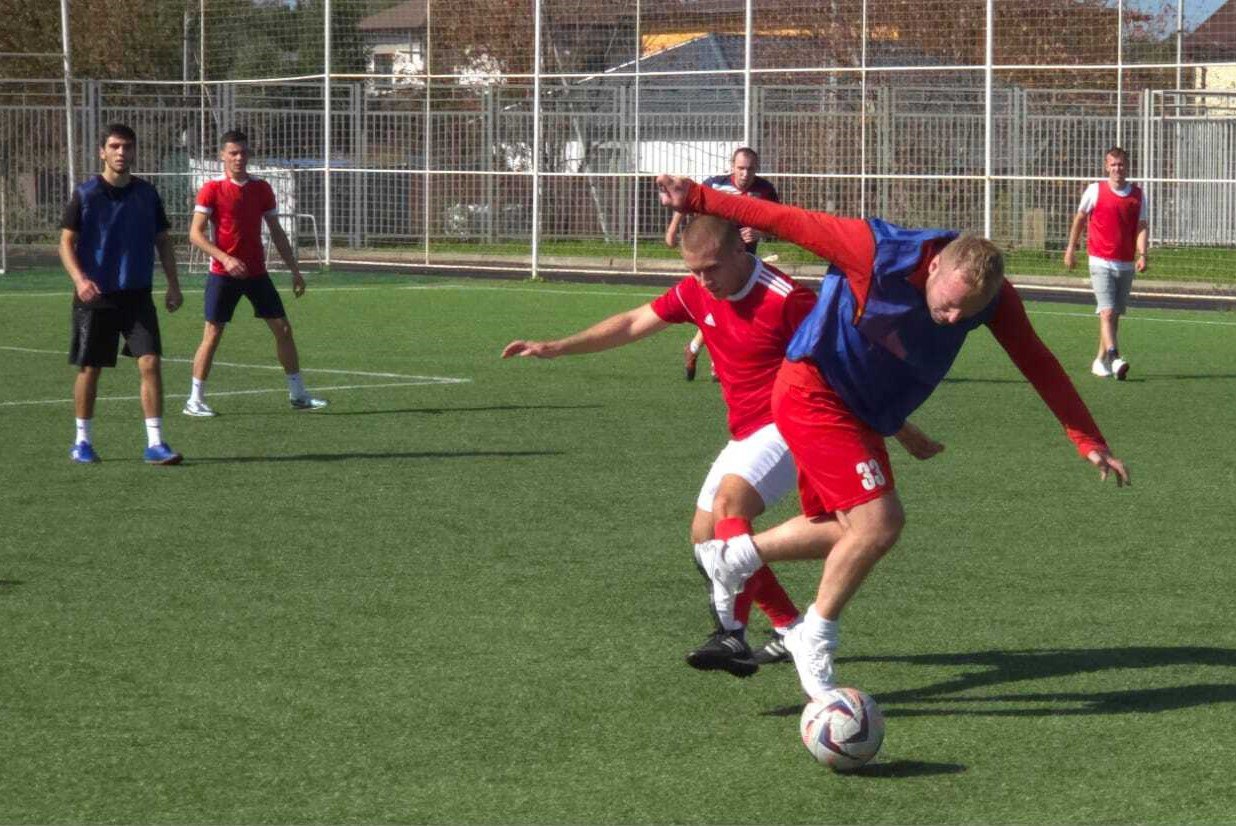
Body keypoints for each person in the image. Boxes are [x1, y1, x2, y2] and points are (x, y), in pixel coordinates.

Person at [656, 173, 1130, 701]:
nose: (953, 318)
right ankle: (812, 635)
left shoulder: (993, 299)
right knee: (881, 522)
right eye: (948, 303)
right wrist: (695, 198)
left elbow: (1037, 361)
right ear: (935, 266)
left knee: (846, 532)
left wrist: (1087, 439)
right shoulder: (875, 250)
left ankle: (733, 558)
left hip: (862, 411)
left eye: (966, 313)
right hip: (813, 389)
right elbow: (782, 219)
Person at [502, 215, 943, 677]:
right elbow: (633, 322)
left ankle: (730, 634)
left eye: (711, 267)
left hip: (791, 419)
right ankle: (789, 628)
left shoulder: (788, 300)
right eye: (694, 270)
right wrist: (557, 347)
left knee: (731, 505)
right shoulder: (696, 291)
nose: (703, 279)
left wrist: (899, 427)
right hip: (746, 430)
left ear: (740, 251)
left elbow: (846, 368)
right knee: (705, 537)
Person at [60, 123, 184, 465]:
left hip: (137, 294)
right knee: (90, 368)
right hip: (95, 296)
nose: (121, 152)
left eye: (127, 147)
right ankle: (82, 442)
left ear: (134, 152)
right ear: (102, 152)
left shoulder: (147, 194)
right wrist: (80, 280)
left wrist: (173, 284)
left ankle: (155, 443)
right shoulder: (85, 194)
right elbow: (66, 243)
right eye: (114, 146)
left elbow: (163, 241)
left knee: (150, 362)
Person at [182, 130, 326, 416]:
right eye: (233, 153)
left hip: (256, 273)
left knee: (283, 329)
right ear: (222, 155)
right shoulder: (212, 188)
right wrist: (226, 259)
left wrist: (295, 270)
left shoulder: (261, 188)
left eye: (243, 152)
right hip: (223, 274)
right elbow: (195, 234)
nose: (239, 158)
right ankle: (194, 400)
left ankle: (298, 394)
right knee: (213, 333)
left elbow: (277, 232)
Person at [665, 147, 780, 382]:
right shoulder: (716, 185)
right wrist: (672, 230)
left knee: (728, 306)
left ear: (757, 169)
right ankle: (714, 360)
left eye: (750, 169)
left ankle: (696, 349)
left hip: (743, 259)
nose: (745, 174)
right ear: (732, 167)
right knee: (725, 304)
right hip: (715, 259)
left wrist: (760, 233)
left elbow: (778, 224)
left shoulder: (765, 190)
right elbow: (687, 200)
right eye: (741, 168)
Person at [1063, 146, 1149, 380]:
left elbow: (1142, 226)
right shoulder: (1095, 190)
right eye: (1113, 164)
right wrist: (1071, 248)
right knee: (1107, 311)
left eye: (1121, 164)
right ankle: (1114, 356)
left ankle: (1100, 360)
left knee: (1114, 315)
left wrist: (1142, 254)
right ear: (1106, 167)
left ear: (1127, 166)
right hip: (1100, 261)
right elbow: (1080, 219)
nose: (1117, 168)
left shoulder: (1138, 195)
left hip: (1125, 263)